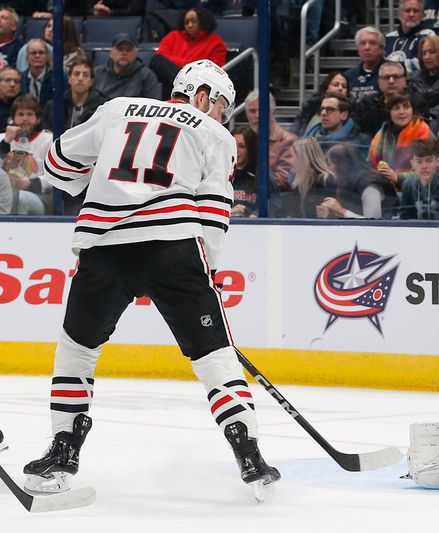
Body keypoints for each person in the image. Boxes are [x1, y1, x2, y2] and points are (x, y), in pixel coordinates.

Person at [23, 60, 280, 498]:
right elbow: (214, 212)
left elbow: (58, 166)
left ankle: (63, 450)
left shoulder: (118, 107)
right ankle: (249, 453)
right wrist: (208, 271)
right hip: (173, 248)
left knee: (76, 353)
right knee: (215, 357)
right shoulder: (215, 134)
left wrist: (91, 173)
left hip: (104, 248)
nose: (220, 116)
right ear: (201, 95)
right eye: (219, 105)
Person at [149, 7, 228, 100]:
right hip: (173, 82)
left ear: (203, 21)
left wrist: (179, 64)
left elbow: (214, 69)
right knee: (157, 60)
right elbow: (161, 55)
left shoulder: (216, 42)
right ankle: (181, 85)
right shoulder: (173, 36)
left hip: (199, 84)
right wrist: (190, 65)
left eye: (194, 21)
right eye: (186, 22)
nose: (190, 25)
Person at [0, 94, 53, 212]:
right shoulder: (2, 139)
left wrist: (31, 184)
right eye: (20, 114)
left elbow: (55, 176)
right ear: (12, 118)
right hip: (5, 195)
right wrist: (6, 142)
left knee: (20, 198)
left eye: (29, 114)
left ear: (38, 119)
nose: (25, 119)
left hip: (40, 196)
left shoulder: (47, 139)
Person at [318, 141, 398, 219]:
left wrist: (341, 211)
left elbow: (373, 223)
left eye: (330, 164)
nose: (329, 169)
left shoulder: (369, 186)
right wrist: (332, 213)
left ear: (341, 165)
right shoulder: (348, 184)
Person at [368, 91, 434, 181]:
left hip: (417, 190)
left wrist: (398, 178)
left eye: (406, 107)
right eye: (396, 108)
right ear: (389, 113)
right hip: (385, 187)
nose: (402, 112)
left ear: (413, 110)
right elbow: (369, 164)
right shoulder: (383, 132)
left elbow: (429, 170)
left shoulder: (424, 132)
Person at [42, 59, 108, 131]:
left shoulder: (103, 106)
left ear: (91, 81)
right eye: (76, 74)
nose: (80, 78)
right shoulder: (54, 106)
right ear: (69, 79)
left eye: (85, 75)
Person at [93, 33, 162, 100]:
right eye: (120, 49)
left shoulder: (147, 75)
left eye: (128, 50)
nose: (124, 53)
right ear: (111, 53)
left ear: (135, 54)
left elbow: (155, 104)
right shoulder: (98, 73)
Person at [399, 138, 439, 220]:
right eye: (419, 161)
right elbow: (405, 219)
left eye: (429, 161)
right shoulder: (409, 183)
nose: (424, 166)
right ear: (412, 163)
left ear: (437, 161)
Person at [283, 137, 337, 218]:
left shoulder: (326, 181)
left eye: (291, 156)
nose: (288, 161)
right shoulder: (297, 181)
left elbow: (330, 216)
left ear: (303, 158)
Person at [408, 34, 439, 126]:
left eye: (432, 52)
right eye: (424, 53)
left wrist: (428, 114)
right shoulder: (415, 77)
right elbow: (408, 100)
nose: (427, 57)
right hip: (418, 119)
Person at [304, 92, 369, 155]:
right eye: (322, 109)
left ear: (344, 115)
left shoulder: (361, 142)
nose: (323, 113)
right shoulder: (310, 137)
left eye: (330, 109)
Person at [384, 0, 435, 74]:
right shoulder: (388, 38)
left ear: (422, 15)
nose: (411, 14)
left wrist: (390, 67)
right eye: (407, 10)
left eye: (416, 11)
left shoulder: (428, 35)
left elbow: (422, 63)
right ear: (399, 14)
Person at [292, 71, 350, 136]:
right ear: (326, 89)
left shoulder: (354, 113)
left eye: (344, 86)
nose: (340, 88)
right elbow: (294, 133)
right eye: (336, 85)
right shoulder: (310, 108)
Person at [344, 26, 386, 102]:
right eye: (363, 43)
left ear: (381, 49)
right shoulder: (348, 76)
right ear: (358, 49)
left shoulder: (392, 73)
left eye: (372, 43)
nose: (367, 47)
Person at [266, 91, 297, 191]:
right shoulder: (245, 139)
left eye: (261, 109)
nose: (257, 115)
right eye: (252, 111)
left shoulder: (289, 141)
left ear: (273, 112)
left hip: (273, 200)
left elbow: (283, 180)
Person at [231, 126, 258, 217]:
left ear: (250, 149)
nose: (236, 150)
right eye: (233, 145)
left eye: (242, 146)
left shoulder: (262, 178)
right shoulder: (219, 175)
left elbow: (273, 206)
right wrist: (229, 212)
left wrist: (254, 214)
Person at [21, 39, 55, 106]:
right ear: (27, 57)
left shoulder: (57, 77)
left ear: (47, 57)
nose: (37, 56)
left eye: (41, 53)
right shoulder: (21, 78)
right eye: (33, 53)